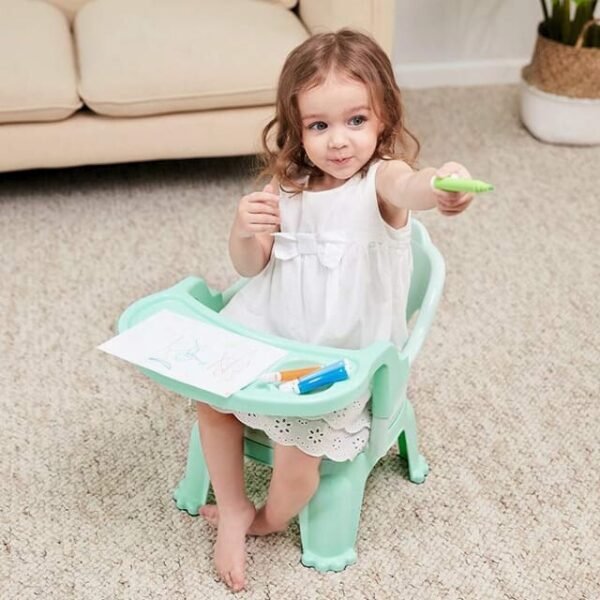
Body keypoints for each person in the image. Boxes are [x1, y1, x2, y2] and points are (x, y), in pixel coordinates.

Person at [195, 28, 474, 592]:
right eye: (320, 126)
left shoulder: (381, 182)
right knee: (209, 401)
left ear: (384, 121)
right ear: (298, 128)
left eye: (356, 121)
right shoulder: (288, 183)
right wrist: (242, 230)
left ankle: (268, 521)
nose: (339, 141)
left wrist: (446, 185)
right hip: (273, 329)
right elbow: (251, 267)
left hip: (335, 359)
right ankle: (233, 506)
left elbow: (416, 185)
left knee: (299, 459)